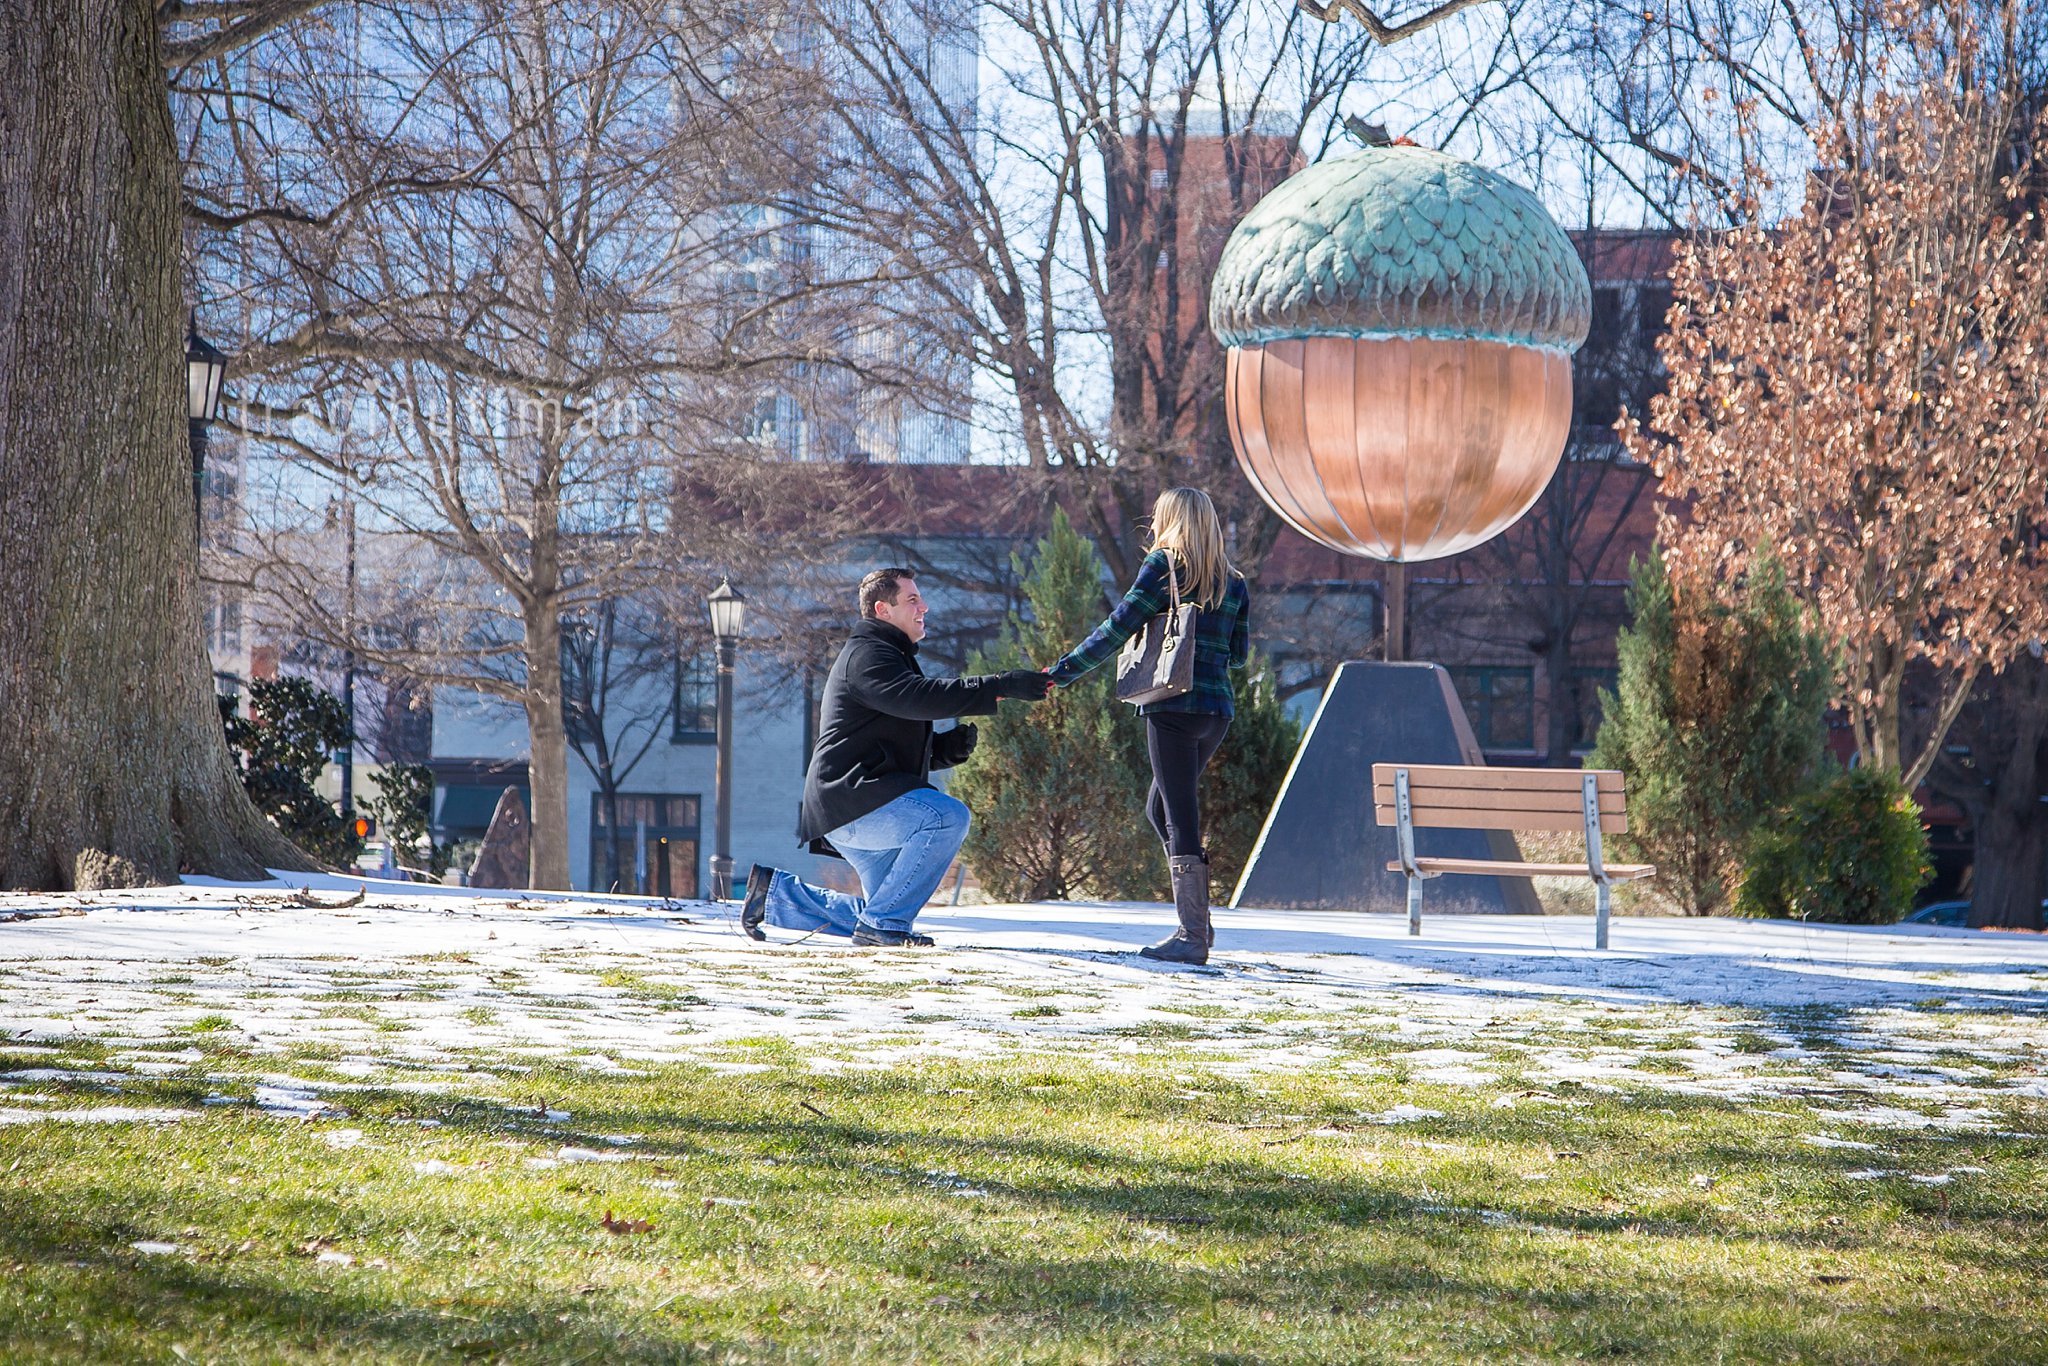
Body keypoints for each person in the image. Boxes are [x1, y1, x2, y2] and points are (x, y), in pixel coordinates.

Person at [741, 567, 1052, 946]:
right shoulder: (868, 655)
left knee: (880, 906)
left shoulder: (888, 655)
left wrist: (941, 751)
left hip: (855, 803)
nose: (924, 607)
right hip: (853, 803)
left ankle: (773, 895)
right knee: (946, 818)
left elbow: (885, 741)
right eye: (912, 599)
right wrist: (999, 685)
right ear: (882, 609)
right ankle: (882, 927)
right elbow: (918, 697)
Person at [1047, 488, 1250, 965]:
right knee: (1160, 808)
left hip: (1172, 707)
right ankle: (1198, 922)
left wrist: (1063, 672)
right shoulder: (1233, 581)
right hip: (1215, 711)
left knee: (1179, 815)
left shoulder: (1164, 566)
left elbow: (1117, 628)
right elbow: (1238, 656)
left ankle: (1191, 936)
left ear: (1170, 521)